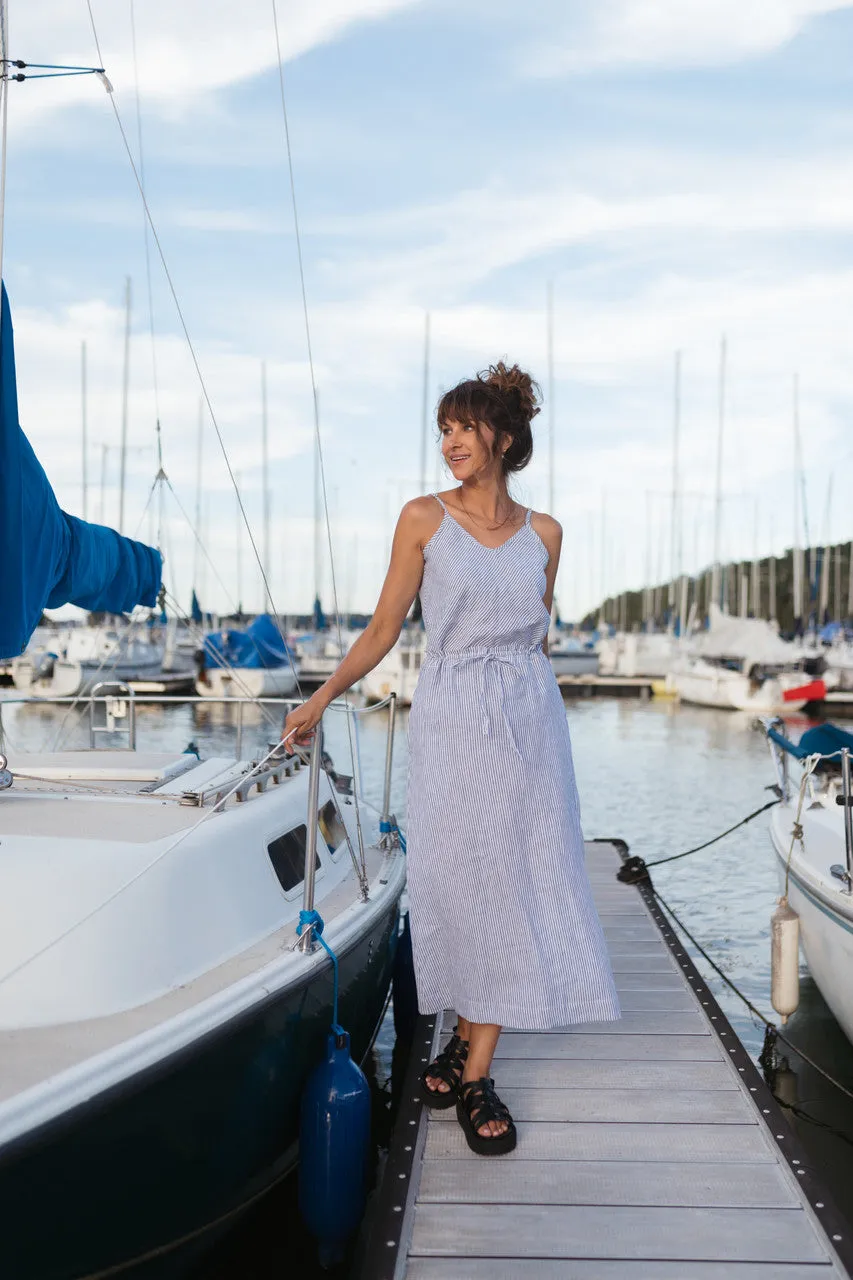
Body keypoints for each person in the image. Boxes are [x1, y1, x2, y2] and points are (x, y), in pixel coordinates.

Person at [283, 361, 620, 1157]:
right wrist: (321, 696)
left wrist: (520, 692)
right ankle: (459, 1034)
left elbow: (533, 636)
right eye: (443, 430)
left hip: (528, 725)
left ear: (500, 436)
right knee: (456, 881)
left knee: (515, 880)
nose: (449, 443)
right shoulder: (422, 519)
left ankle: (475, 1074)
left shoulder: (545, 535)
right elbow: (381, 630)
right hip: (451, 719)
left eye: (463, 428)